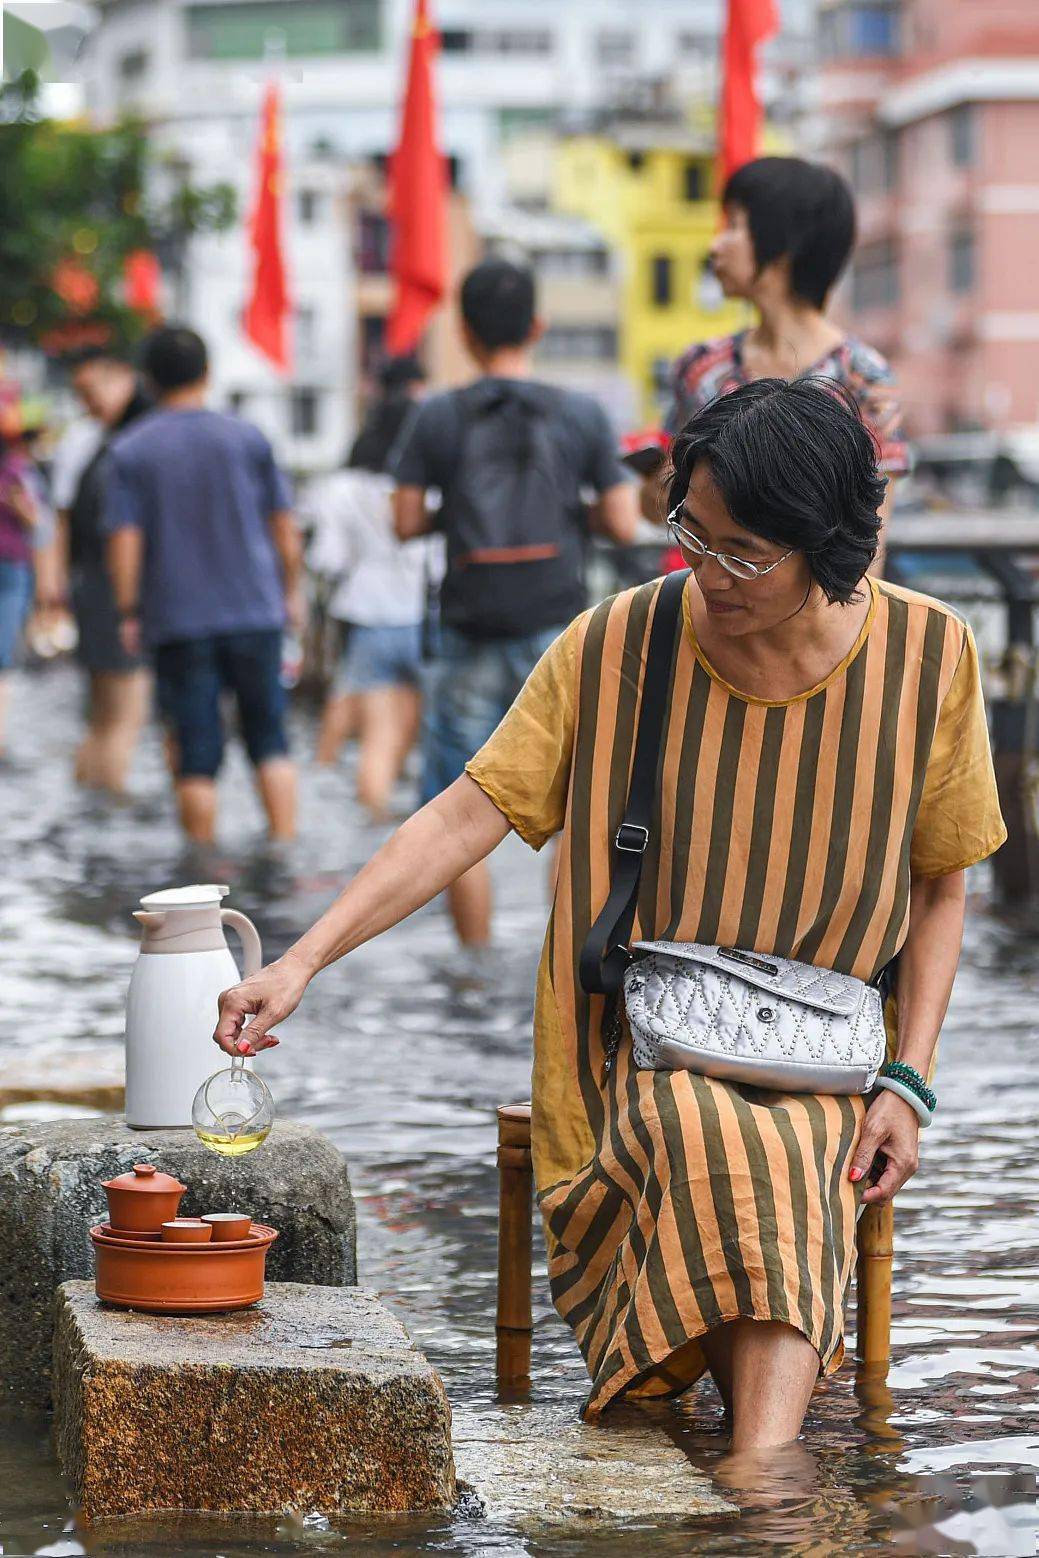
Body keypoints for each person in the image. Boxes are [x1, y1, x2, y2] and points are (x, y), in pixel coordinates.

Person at [213, 378, 1006, 1452]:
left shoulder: (931, 655)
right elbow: (465, 812)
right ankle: (766, 1477)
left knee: (789, 1143)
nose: (705, 572)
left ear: (826, 546)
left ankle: (750, 1471)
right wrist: (301, 961)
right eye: (691, 533)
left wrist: (908, 1081)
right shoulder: (618, 644)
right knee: (704, 1125)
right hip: (627, 1047)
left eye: (742, 553)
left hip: (826, 1055)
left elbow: (941, 880)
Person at [391, 256, 638, 947]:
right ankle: (558, 969)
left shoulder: (438, 415)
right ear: (537, 327)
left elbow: (404, 521)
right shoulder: (582, 414)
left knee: (453, 810)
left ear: (464, 333)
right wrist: (568, 517)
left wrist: (457, 516)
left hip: (469, 627)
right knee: (575, 809)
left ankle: (472, 967)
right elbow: (622, 524)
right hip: (560, 633)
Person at [662, 157, 909, 571]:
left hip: (813, 614)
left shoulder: (862, 377)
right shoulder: (701, 367)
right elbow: (663, 505)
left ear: (784, 243)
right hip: (709, 596)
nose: (715, 245)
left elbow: (870, 538)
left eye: (735, 226)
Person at [105, 325, 302, 843]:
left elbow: (126, 538)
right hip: (256, 612)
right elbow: (284, 525)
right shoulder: (248, 436)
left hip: (178, 618)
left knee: (195, 753)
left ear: (148, 381)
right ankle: (284, 849)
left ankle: (201, 870)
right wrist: (293, 591)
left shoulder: (130, 449)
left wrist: (128, 609)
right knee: (270, 741)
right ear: (207, 372)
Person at [307, 394, 434, 817]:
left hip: (368, 617)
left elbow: (328, 558)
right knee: (419, 737)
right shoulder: (429, 486)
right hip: (422, 618)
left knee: (377, 739)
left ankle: (371, 827)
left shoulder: (342, 489)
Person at [55, 347, 153, 793]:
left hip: (94, 588)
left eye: (89, 391)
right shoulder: (123, 445)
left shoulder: (102, 445)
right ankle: (110, 808)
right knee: (122, 718)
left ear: (123, 377)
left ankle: (91, 804)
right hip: (118, 592)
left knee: (100, 718)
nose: (85, 402)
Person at [0, 429, 43, 754]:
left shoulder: (15, 471)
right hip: (13, 565)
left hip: (12, 566)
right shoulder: (18, 469)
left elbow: (34, 519)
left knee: (3, 652)